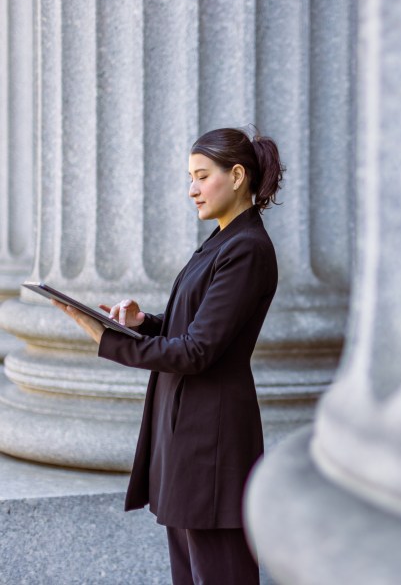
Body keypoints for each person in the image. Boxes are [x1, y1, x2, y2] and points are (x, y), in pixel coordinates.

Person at [54, 126, 284, 585]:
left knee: (220, 572)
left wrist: (108, 340)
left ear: (237, 175)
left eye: (201, 176)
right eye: (190, 177)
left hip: (211, 441)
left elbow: (198, 351)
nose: (192, 189)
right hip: (188, 435)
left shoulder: (247, 249)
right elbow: (198, 329)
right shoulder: (223, 241)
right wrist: (143, 323)